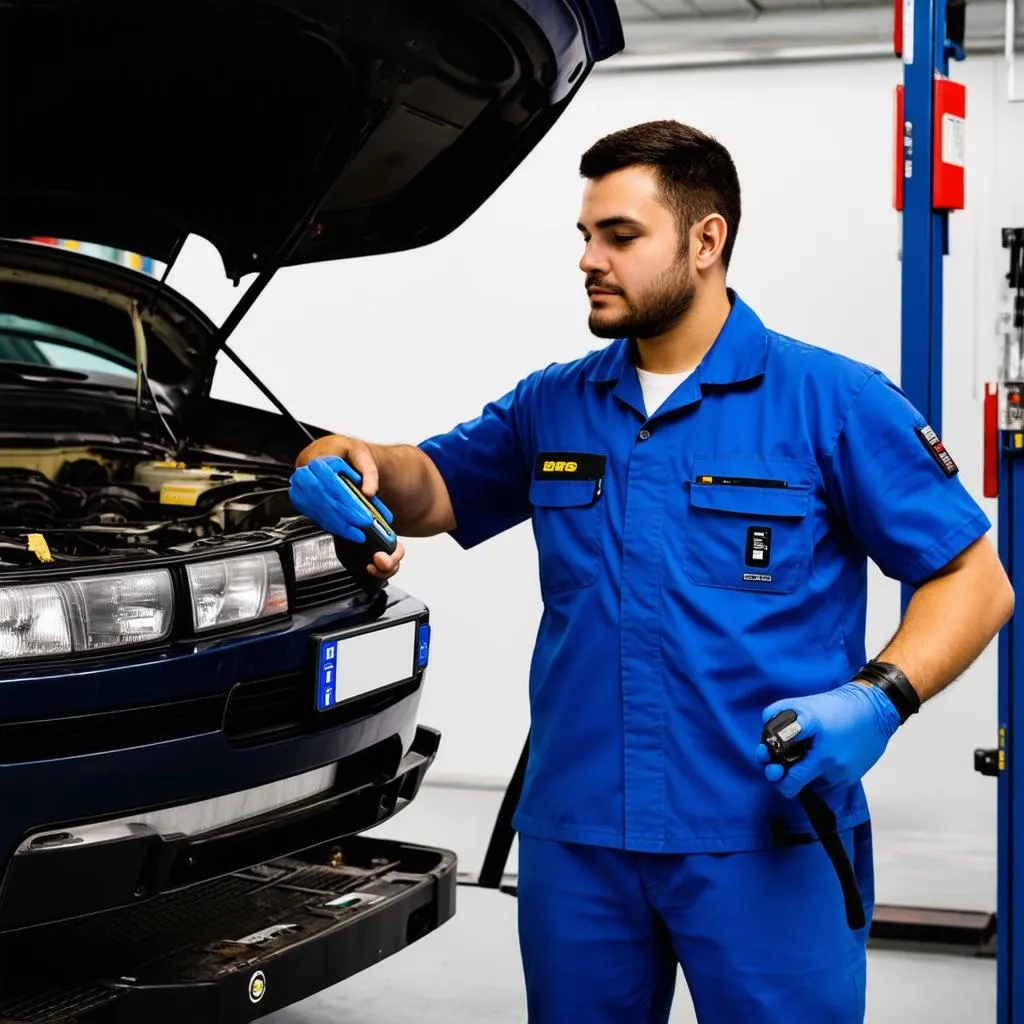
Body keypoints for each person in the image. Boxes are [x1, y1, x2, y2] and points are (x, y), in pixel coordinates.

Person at [288, 120, 1014, 1023]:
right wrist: (348, 457)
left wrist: (879, 697)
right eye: (586, 236)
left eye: (620, 237)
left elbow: (976, 579)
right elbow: (430, 486)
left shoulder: (833, 402)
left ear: (706, 240)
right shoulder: (556, 403)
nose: (590, 259)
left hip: (765, 836)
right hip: (579, 839)